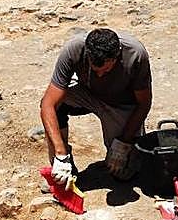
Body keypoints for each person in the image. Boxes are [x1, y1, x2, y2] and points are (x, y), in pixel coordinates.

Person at [41, 28, 152, 185]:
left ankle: (129, 152)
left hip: (120, 105)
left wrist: (123, 142)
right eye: (95, 70)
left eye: (106, 70)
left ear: (117, 55)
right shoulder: (73, 49)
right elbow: (48, 105)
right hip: (88, 94)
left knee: (123, 172)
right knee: (56, 106)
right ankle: (62, 172)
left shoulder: (135, 54)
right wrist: (60, 155)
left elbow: (144, 103)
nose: (100, 75)